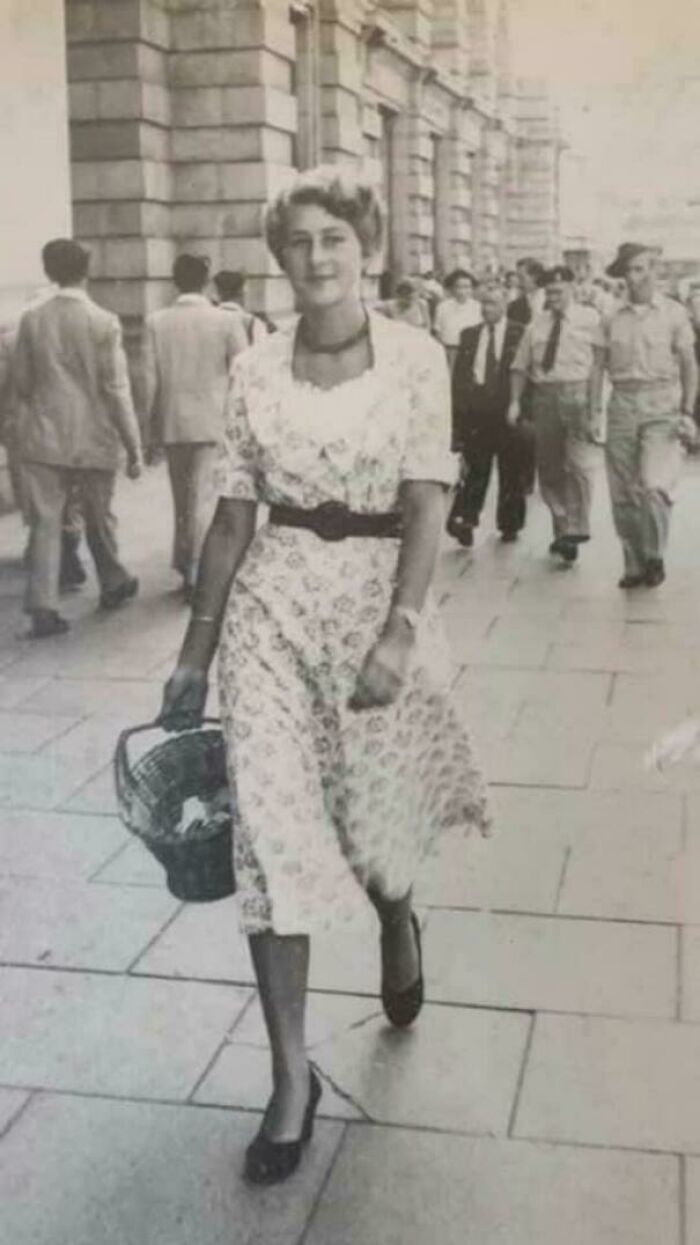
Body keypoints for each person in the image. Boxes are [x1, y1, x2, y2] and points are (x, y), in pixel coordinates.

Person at [158, 166, 490, 1186]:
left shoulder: (416, 357)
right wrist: (195, 653)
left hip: (373, 604)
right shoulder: (254, 366)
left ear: (366, 249)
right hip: (272, 610)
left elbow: (427, 501)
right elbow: (232, 513)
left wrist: (401, 630)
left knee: (369, 825)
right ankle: (289, 1078)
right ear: (280, 257)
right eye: (299, 241)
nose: (317, 256)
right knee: (269, 839)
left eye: (334, 238)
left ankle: (397, 918)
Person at [12, 239, 142, 637]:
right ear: (86, 270)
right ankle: (113, 581)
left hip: (43, 435)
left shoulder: (31, 319)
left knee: (46, 522)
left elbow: (21, 383)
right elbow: (116, 389)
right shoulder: (104, 321)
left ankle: (43, 605)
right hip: (93, 434)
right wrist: (133, 445)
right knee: (99, 516)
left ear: (48, 271)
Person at [144, 254, 248, 601]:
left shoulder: (156, 321)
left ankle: (184, 563)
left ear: (175, 281)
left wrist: (148, 427)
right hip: (213, 420)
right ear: (206, 281)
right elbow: (243, 373)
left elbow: (149, 380)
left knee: (181, 498)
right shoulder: (225, 321)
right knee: (203, 498)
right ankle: (197, 571)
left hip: (173, 421)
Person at [599, 243, 698, 589]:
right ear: (623, 276)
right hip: (622, 404)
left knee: (655, 484)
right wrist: (592, 410)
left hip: (661, 406)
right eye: (631, 270)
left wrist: (688, 411)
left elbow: (689, 365)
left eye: (643, 269)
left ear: (655, 271)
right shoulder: (611, 315)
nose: (637, 277)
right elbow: (597, 367)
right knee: (623, 492)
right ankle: (633, 563)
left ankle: (654, 554)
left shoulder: (674, 313)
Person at [509, 264, 604, 566]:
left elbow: (599, 367)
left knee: (579, 465)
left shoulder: (591, 319)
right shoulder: (536, 325)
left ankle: (576, 527)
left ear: (572, 289)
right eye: (549, 293)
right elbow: (519, 367)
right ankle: (563, 528)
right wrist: (514, 402)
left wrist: (596, 407)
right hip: (545, 398)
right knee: (549, 469)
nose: (553, 298)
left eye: (559, 292)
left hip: (578, 396)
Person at [447, 285, 527, 547]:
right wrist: (457, 416)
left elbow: (526, 372)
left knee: (511, 468)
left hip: (507, 407)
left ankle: (510, 524)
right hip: (478, 409)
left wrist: (521, 406)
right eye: (483, 303)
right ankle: (466, 520)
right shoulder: (469, 335)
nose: (486, 308)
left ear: (504, 305)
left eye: (492, 303)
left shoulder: (519, 333)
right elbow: (460, 377)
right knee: (475, 468)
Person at [433, 268, 482, 369]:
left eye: (467, 287)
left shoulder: (478, 307)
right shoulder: (443, 307)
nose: (462, 291)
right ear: (452, 288)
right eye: (458, 287)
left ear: (472, 288)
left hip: (471, 352)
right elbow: (438, 331)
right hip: (449, 351)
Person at [212, 269, 270, 345]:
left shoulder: (206, 320)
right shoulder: (253, 323)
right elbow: (261, 350)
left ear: (218, 292)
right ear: (241, 291)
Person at [507, 257, 546, 327]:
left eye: (521, 278)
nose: (519, 283)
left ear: (535, 277)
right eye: (518, 278)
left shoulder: (549, 300)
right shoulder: (517, 304)